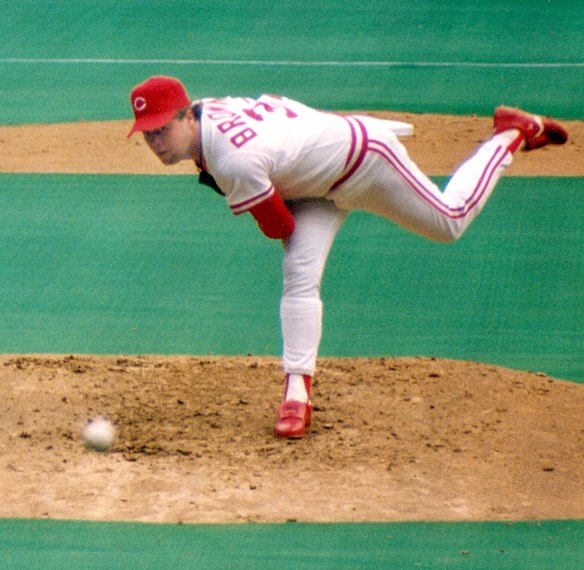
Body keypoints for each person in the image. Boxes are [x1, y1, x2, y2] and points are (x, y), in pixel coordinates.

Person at [127, 75, 568, 439]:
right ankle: (296, 397)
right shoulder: (208, 109)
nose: (156, 142)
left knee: (449, 220)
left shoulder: (234, 161)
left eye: (163, 129)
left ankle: (511, 133)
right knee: (299, 273)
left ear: (188, 115)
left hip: (363, 162)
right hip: (316, 172)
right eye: (147, 133)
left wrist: (269, 178)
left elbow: (278, 227)